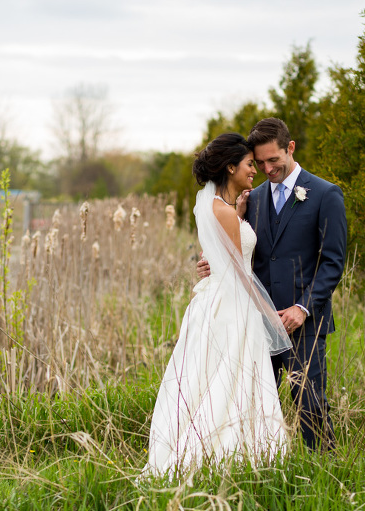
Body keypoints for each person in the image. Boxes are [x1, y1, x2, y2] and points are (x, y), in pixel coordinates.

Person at [143, 133, 292, 477]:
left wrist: (238, 214)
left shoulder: (218, 208)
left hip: (216, 300)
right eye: (248, 164)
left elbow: (222, 251)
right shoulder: (221, 211)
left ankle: (226, 450)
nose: (254, 170)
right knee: (229, 380)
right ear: (230, 167)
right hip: (232, 306)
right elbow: (241, 274)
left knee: (217, 378)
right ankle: (228, 452)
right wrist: (268, 314)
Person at [198, 118, 347, 451]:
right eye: (260, 162)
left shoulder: (325, 194)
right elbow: (243, 251)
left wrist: (303, 308)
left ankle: (325, 473)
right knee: (255, 405)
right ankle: (262, 471)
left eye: (273, 160)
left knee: (310, 406)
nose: (266, 168)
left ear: (290, 148)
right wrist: (216, 262)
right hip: (256, 322)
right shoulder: (255, 197)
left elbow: (333, 262)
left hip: (304, 323)